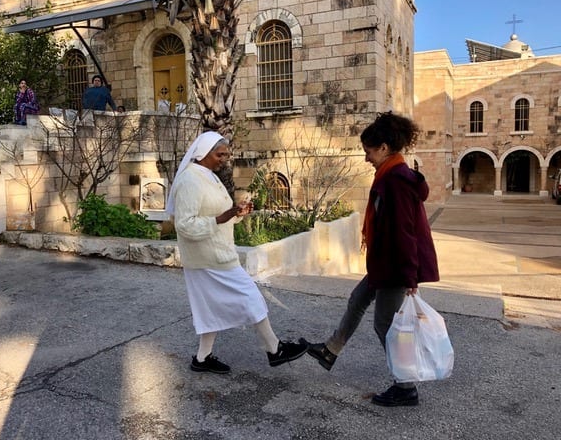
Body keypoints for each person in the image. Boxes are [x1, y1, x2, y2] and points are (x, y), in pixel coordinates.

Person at [300, 112, 439, 407]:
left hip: (395, 266)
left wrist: (410, 277)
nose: (366, 158)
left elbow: (405, 232)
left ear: (384, 148)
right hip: (385, 263)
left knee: (386, 325)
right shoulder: (390, 174)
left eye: (368, 151)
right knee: (358, 298)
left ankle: (406, 386)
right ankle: (330, 350)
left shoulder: (397, 180)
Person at [167, 131, 308, 374]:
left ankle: (201, 359)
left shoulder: (208, 176)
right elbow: (185, 224)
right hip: (209, 258)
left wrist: (236, 213)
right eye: (220, 155)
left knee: (209, 308)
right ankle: (275, 350)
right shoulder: (190, 180)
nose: (224, 159)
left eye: (227, 155)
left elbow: (218, 216)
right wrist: (225, 215)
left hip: (215, 253)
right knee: (250, 296)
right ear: (204, 153)